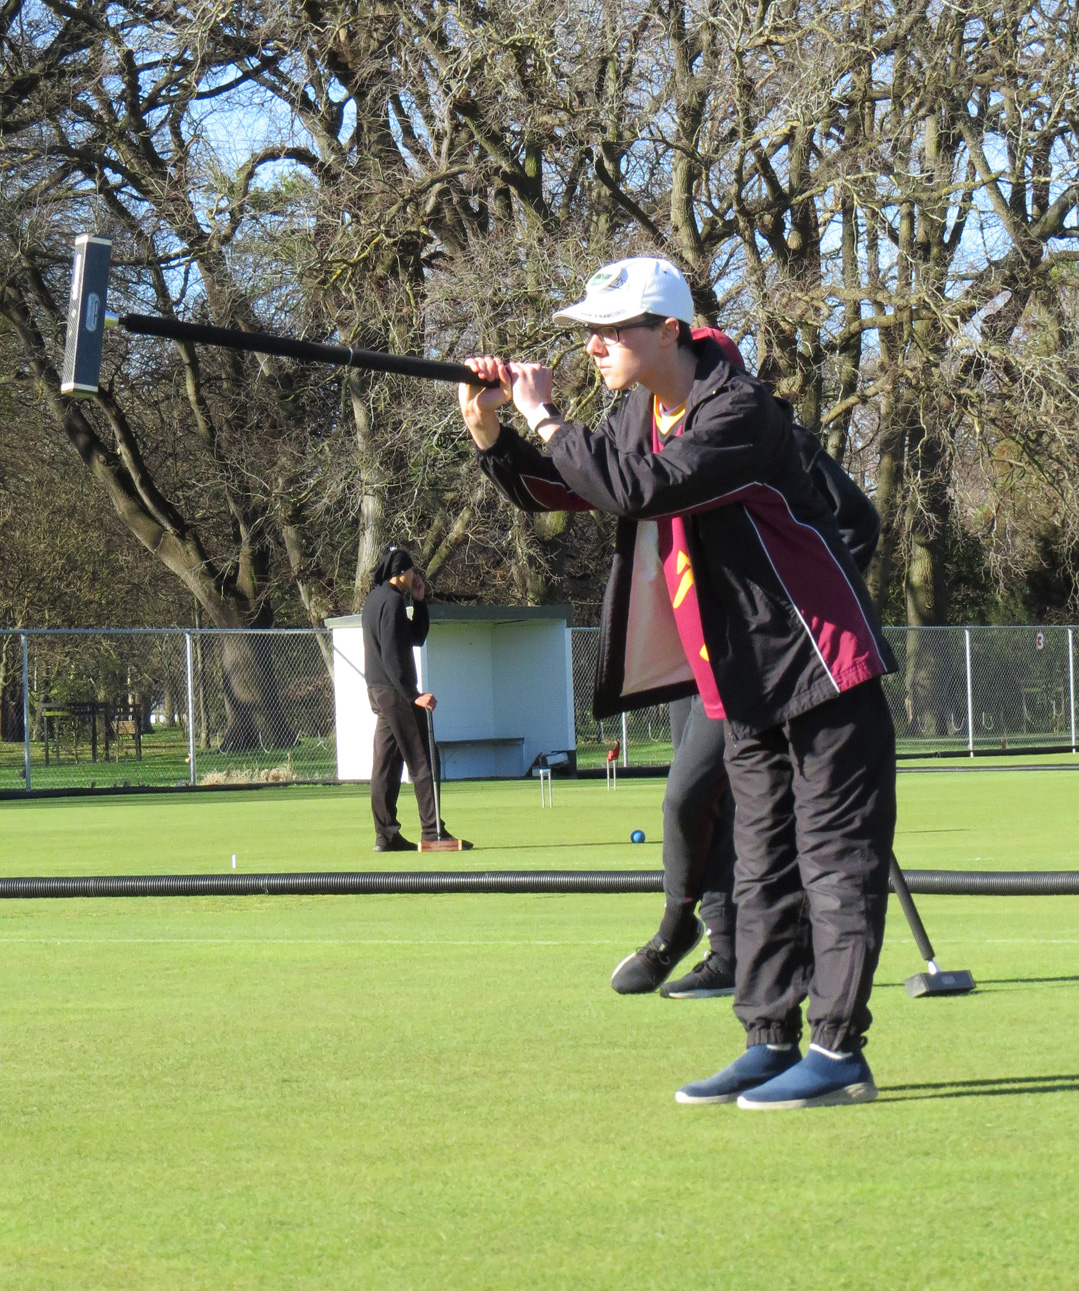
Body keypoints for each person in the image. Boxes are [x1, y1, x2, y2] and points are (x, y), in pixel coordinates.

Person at [458, 256, 897, 1109]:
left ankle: (838, 1051)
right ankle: (768, 1040)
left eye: (611, 330)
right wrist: (494, 435)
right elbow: (568, 483)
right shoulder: (639, 410)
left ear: (669, 333)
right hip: (742, 682)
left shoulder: (737, 408)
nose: (592, 345)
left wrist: (544, 414)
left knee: (834, 865)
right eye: (586, 331)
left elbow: (639, 491)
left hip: (822, 665)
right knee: (761, 865)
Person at [362, 544, 470, 853]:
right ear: (399, 573)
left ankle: (386, 835)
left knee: (385, 766)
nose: (414, 574)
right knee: (423, 760)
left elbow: (414, 638)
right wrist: (414, 696)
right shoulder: (392, 602)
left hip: (381, 691)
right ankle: (433, 831)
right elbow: (395, 655)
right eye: (410, 570)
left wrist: (420, 602)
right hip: (397, 692)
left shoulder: (376, 600)